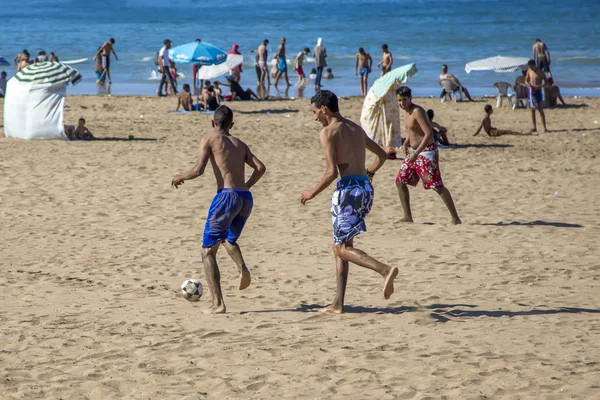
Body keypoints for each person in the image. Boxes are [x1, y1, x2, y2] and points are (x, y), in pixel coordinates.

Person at [300, 90, 398, 314]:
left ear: (324, 109)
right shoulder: (355, 127)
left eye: (315, 112)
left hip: (348, 191)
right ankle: (338, 304)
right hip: (365, 188)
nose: (315, 117)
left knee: (340, 248)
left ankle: (385, 270)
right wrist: (369, 173)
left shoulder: (328, 132)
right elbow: (382, 155)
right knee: (344, 245)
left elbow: (331, 172)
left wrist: (311, 193)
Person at [171, 106, 266, 314]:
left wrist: (180, 177)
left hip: (226, 196)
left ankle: (218, 305)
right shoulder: (240, 143)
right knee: (227, 239)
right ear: (231, 125)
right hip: (245, 198)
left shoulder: (210, 139)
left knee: (207, 252)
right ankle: (242, 268)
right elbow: (261, 168)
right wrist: (246, 186)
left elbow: (198, 170)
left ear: (213, 123)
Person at [395, 86, 461, 224]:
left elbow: (428, 134)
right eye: (399, 100)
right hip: (413, 153)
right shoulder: (405, 112)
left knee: (436, 185)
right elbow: (412, 131)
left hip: (426, 152)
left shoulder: (417, 111)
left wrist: (417, 153)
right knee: (400, 181)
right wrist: (406, 143)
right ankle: (407, 216)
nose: (401, 103)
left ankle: (455, 218)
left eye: (404, 100)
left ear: (410, 98)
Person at [525, 60, 548, 132]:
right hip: (531, 91)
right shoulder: (529, 71)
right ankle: (534, 127)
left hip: (538, 91)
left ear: (534, 65)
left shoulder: (540, 72)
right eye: (530, 67)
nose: (531, 68)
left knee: (540, 109)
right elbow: (526, 80)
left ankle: (544, 127)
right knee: (532, 110)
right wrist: (527, 84)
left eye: (532, 66)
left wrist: (539, 86)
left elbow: (546, 82)